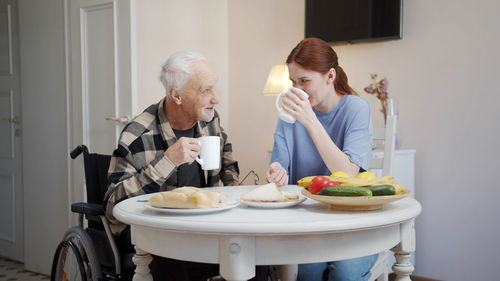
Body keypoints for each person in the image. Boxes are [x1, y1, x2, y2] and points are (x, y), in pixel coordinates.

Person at [104, 51, 267, 281]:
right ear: (176, 96)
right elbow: (113, 205)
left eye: (214, 88)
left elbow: (226, 155)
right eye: (205, 90)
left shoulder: (210, 118)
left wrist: (233, 184)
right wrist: (167, 162)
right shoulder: (138, 134)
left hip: (202, 226)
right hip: (155, 233)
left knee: (255, 257)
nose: (216, 98)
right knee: (173, 258)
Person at [266, 38, 378, 281]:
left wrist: (310, 121)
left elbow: (347, 173)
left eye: (304, 81)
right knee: (308, 271)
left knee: (344, 274)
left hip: (352, 222)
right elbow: (279, 170)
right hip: (307, 224)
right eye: (293, 82)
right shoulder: (289, 113)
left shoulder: (356, 109)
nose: (297, 89)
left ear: (330, 76)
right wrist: (276, 171)